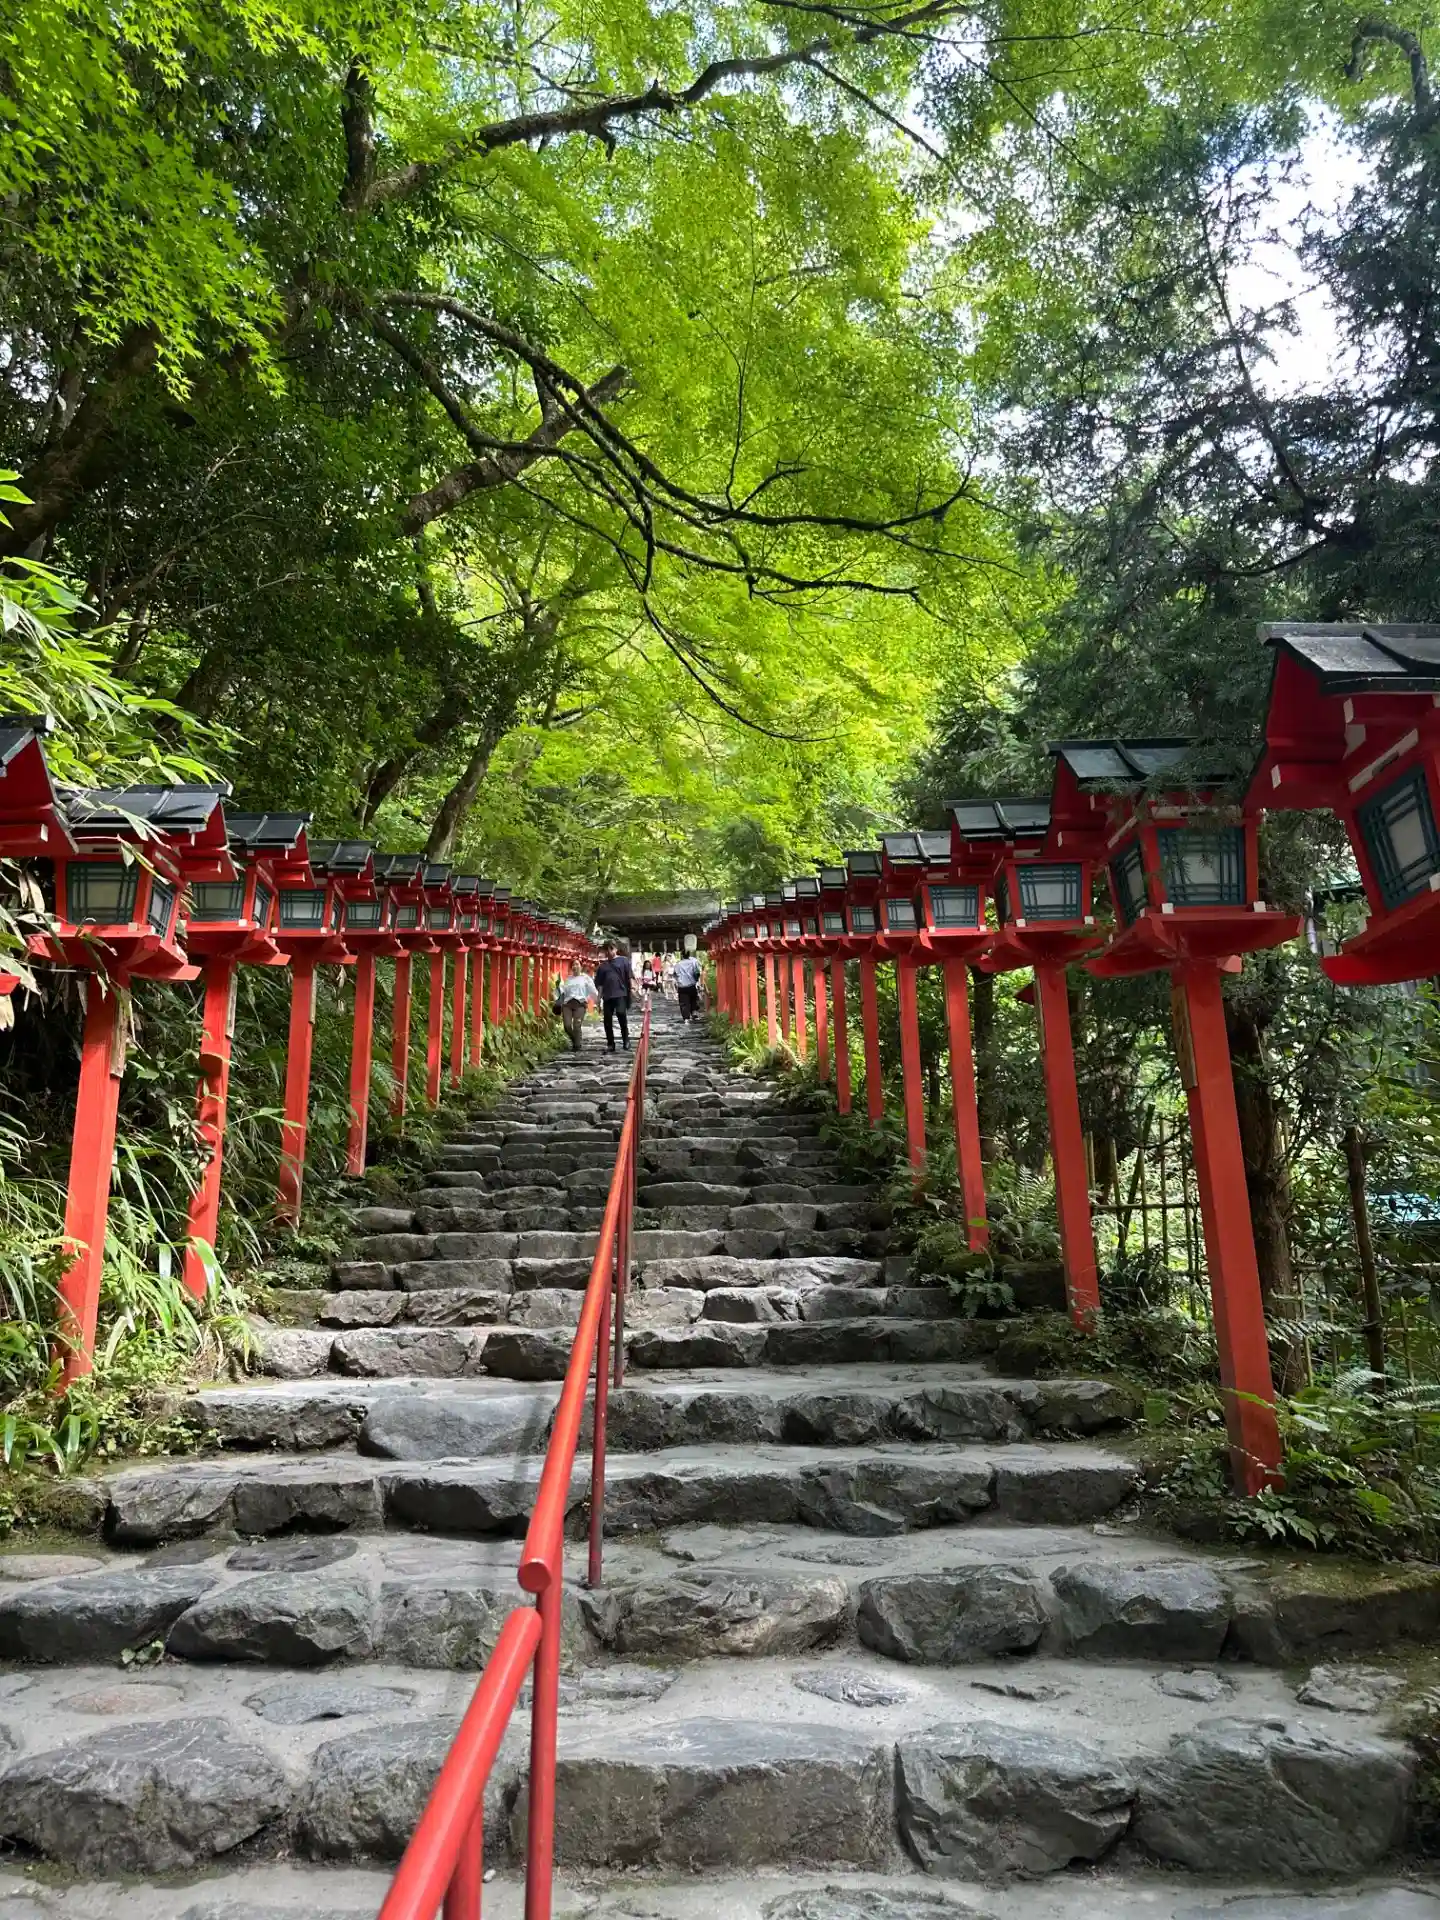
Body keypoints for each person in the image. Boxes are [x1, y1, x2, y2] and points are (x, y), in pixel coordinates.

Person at [594, 943, 632, 1051]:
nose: (608, 952)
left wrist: (633, 989)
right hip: (607, 996)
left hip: (620, 993)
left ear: (615, 949)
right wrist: (598, 999)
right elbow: (600, 984)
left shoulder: (624, 961)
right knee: (607, 1020)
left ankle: (626, 1040)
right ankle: (610, 1043)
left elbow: (629, 976)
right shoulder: (603, 966)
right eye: (606, 950)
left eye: (610, 949)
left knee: (621, 1015)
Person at [553, 960, 597, 1052]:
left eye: (577, 964)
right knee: (567, 1026)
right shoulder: (568, 979)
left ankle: (577, 1045)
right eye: (573, 965)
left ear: (581, 966)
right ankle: (575, 1041)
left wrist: (597, 1001)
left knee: (577, 1025)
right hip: (567, 1004)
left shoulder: (586, 978)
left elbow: (593, 990)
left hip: (580, 1004)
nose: (575, 966)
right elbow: (561, 992)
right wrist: (557, 987)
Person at [673, 950, 703, 1022]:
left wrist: (678, 981)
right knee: (693, 1000)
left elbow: (675, 974)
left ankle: (686, 1018)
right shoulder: (693, 963)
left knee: (684, 1002)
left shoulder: (678, 964)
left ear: (682, 955)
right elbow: (697, 972)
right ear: (689, 955)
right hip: (691, 985)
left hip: (682, 986)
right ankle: (694, 1014)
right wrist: (696, 980)